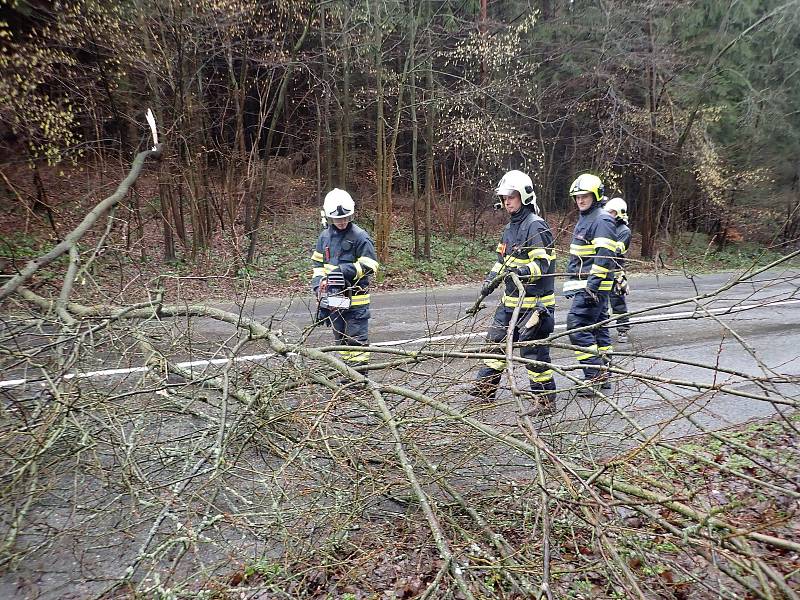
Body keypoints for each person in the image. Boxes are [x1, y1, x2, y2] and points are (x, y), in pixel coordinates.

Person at [469, 170, 557, 413]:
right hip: (509, 302)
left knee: (533, 353)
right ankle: (485, 389)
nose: (507, 201)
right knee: (494, 344)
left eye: (511, 196)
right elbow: (502, 262)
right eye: (504, 197)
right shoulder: (510, 228)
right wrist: (490, 280)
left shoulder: (536, 226)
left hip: (534, 305)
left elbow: (542, 265)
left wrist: (519, 272)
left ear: (524, 196)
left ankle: (545, 400)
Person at [311, 188, 379, 368]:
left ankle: (359, 381)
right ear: (328, 217)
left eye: (345, 218)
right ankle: (349, 376)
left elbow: (371, 265)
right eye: (338, 219)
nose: (342, 222)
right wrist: (319, 287)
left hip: (356, 301)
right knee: (341, 341)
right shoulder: (324, 237)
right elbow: (318, 266)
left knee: (356, 343)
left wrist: (345, 270)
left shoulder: (360, 237)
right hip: (334, 300)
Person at [564, 174, 618, 396]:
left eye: (584, 195)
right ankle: (603, 375)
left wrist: (591, 287)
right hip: (586, 285)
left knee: (577, 326)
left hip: (592, 287)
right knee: (598, 330)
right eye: (577, 196)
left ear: (596, 195)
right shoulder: (586, 217)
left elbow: (604, 256)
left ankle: (594, 377)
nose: (580, 200)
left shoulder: (601, 219)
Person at [604, 197, 632, 343]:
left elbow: (617, 250)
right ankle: (600, 328)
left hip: (616, 272)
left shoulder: (624, 231)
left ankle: (623, 330)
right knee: (600, 302)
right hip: (603, 270)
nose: (609, 215)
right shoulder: (607, 227)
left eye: (612, 212)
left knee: (618, 302)